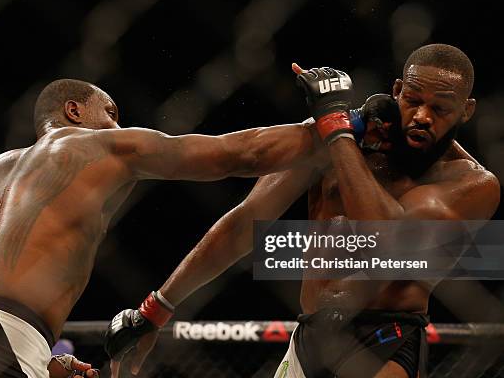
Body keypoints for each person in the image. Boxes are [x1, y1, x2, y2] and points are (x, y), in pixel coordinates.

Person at [105, 44, 501, 378]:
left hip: (386, 341)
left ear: (465, 111)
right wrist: (157, 308)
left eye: (440, 108)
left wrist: (335, 127)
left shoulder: (471, 185)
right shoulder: (346, 136)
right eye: (412, 100)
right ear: (397, 89)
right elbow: (246, 221)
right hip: (308, 338)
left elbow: (386, 238)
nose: (421, 117)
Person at [0, 78, 329, 377]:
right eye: (110, 113)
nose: (118, 125)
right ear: (74, 110)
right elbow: (237, 155)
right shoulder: (98, 146)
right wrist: (336, 124)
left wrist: (37, 358)